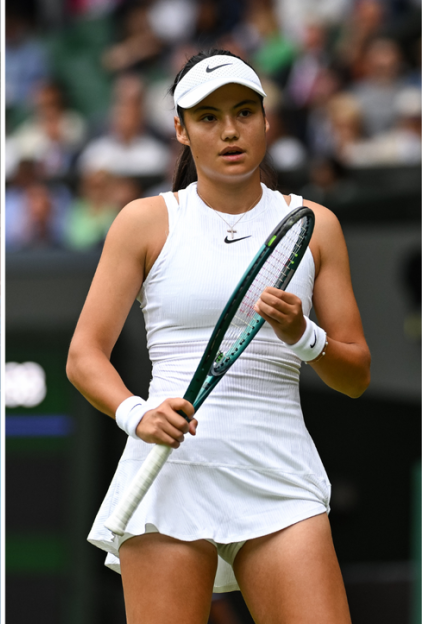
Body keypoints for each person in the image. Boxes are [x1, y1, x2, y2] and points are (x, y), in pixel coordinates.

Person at [67, 50, 370, 623]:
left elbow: (355, 374)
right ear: (181, 130)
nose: (229, 131)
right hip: (169, 475)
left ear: (266, 120)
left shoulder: (318, 226)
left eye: (243, 113)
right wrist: (137, 414)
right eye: (207, 117)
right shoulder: (144, 221)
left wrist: (303, 335)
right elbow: (83, 357)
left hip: (280, 475)